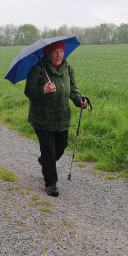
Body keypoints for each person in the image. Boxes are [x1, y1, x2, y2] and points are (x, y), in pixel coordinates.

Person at [24, 41, 88, 197]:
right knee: (48, 150)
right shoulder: (38, 69)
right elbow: (29, 91)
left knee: (61, 145)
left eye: (61, 51)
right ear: (48, 53)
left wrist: (79, 100)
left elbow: (72, 89)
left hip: (62, 116)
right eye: (55, 51)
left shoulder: (68, 69)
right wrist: (43, 90)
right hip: (42, 118)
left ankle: (45, 162)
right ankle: (51, 183)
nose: (59, 55)